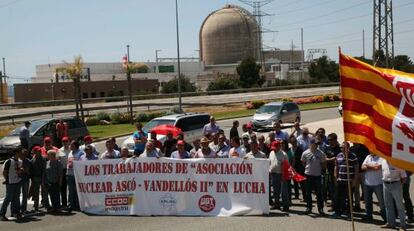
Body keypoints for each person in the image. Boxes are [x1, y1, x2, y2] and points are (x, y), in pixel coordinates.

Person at [332, 142, 359, 219]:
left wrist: (354, 180)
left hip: (349, 181)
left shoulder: (353, 156)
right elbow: (336, 167)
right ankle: (338, 212)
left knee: (349, 199)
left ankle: (349, 214)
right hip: (340, 180)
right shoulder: (339, 155)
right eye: (341, 147)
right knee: (338, 197)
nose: (342, 149)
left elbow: (356, 170)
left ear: (348, 148)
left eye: (344, 147)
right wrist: (335, 177)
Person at [301, 138, 326, 215]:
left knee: (319, 193)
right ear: (311, 144)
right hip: (308, 175)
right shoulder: (305, 153)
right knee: (308, 192)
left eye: (317, 144)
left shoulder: (320, 153)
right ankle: (309, 207)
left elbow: (323, 164)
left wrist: (320, 170)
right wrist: (308, 168)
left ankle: (320, 208)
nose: (316, 145)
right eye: (315, 144)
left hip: (317, 175)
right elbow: (303, 162)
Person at [380, 159, 407, 230]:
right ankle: (391, 223)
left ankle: (402, 226)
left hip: (396, 184)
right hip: (385, 184)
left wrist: (399, 185)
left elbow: (404, 177)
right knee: (388, 205)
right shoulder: (382, 161)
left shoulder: (398, 162)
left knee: (400, 206)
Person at [361, 153, 386, 222]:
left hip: (378, 183)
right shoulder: (368, 156)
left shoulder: (381, 157)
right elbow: (362, 167)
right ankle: (369, 215)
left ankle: (386, 217)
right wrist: (372, 167)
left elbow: (377, 168)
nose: (371, 150)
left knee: (381, 202)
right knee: (367, 201)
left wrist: (367, 166)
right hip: (367, 183)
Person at [0, 148, 23, 221]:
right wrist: (7, 179)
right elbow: (4, 172)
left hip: (17, 181)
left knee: (16, 198)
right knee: (8, 198)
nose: (21, 154)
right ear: (16, 153)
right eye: (20, 152)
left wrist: (20, 171)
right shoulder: (9, 161)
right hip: (10, 182)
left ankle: (15, 212)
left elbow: (18, 170)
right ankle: (2, 214)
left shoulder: (20, 161)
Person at [269, 140, 289, 211]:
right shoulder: (271, 152)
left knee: (284, 191)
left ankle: (286, 205)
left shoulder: (284, 154)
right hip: (273, 174)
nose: (273, 149)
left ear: (279, 146)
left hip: (281, 174)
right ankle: (276, 204)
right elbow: (270, 162)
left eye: (275, 147)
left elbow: (287, 166)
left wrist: (284, 176)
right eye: (273, 147)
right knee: (275, 190)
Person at [322, 133, 341, 210]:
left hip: (337, 172)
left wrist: (330, 160)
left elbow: (338, 160)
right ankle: (334, 203)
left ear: (335, 139)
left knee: (337, 189)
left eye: (331, 140)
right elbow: (324, 158)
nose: (329, 141)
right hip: (329, 171)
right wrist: (331, 159)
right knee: (331, 189)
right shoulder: (327, 148)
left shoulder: (339, 149)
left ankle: (338, 205)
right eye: (328, 140)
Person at [350, 143, 370, 212]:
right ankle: (357, 205)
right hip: (355, 173)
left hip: (363, 172)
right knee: (356, 190)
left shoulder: (364, 148)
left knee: (366, 190)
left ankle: (368, 208)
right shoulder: (351, 149)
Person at [67, 140, 85, 211]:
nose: (70, 146)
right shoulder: (70, 152)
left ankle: (78, 205)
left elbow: (82, 163)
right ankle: (71, 205)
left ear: (75, 146)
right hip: (69, 174)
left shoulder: (81, 153)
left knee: (77, 191)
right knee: (70, 190)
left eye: (71, 145)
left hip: (77, 175)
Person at [30, 146, 46, 212]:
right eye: (37, 151)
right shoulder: (32, 160)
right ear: (34, 152)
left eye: (39, 151)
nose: (39, 152)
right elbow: (31, 171)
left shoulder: (43, 159)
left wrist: (43, 179)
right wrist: (32, 179)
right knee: (35, 193)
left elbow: (44, 169)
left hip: (43, 177)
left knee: (44, 193)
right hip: (35, 178)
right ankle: (36, 206)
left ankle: (45, 204)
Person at [289, 135, 305, 200]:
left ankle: (305, 196)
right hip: (293, 168)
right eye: (292, 142)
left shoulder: (300, 149)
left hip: (299, 168)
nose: (294, 143)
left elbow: (302, 159)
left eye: (295, 142)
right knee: (295, 182)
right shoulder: (290, 150)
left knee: (302, 183)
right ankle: (296, 195)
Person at [19, 149, 31, 215]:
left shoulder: (28, 161)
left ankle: (24, 209)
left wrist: (24, 170)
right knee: (17, 195)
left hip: (25, 179)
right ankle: (17, 209)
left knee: (25, 195)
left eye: (24, 154)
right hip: (18, 180)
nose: (23, 156)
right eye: (22, 154)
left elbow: (28, 171)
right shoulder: (18, 161)